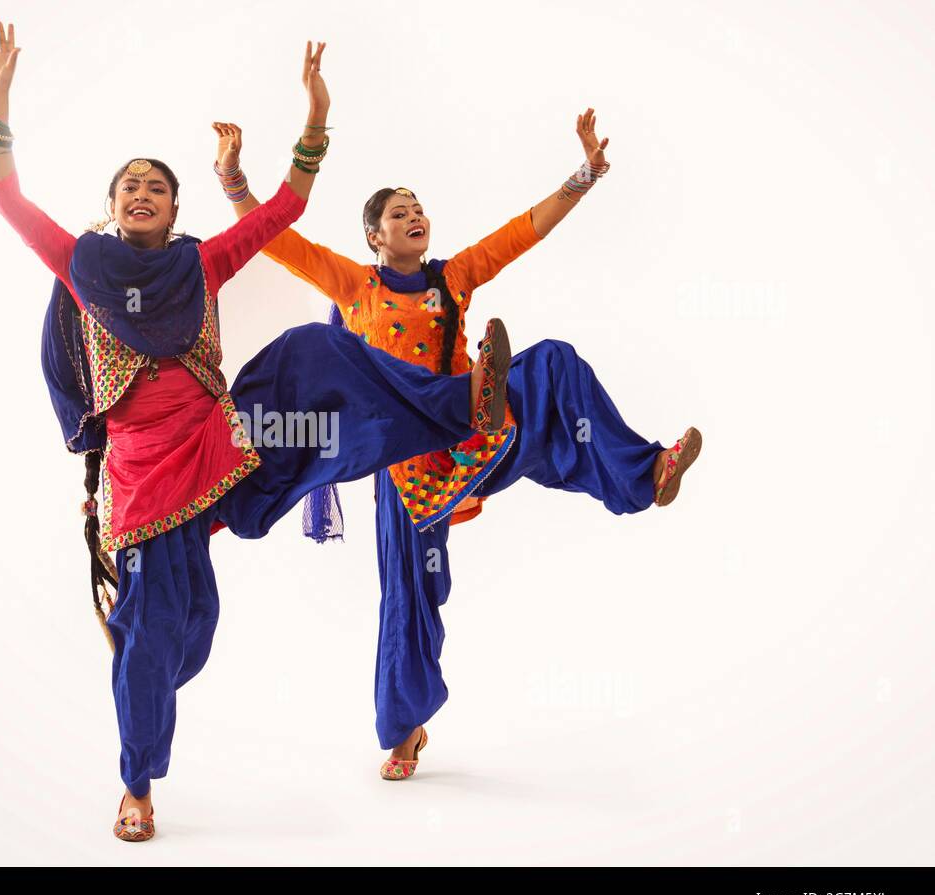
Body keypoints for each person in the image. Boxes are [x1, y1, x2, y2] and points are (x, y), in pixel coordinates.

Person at [0, 24, 510, 841]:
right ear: (114, 206)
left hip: (227, 442)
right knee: (175, 635)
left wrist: (315, 118)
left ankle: (460, 408)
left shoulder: (202, 263)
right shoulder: (80, 265)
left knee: (319, 349)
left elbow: (288, 208)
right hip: (148, 479)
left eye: (158, 183)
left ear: (176, 208)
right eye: (130, 184)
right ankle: (138, 786)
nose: (144, 190)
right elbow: (10, 204)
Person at [210, 110, 702, 781]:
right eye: (399, 212)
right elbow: (278, 242)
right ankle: (405, 729)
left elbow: (519, 234)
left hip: (472, 436)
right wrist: (234, 181)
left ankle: (646, 476)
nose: (415, 217)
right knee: (414, 592)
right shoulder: (354, 285)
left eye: (419, 209)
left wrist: (584, 175)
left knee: (554, 363)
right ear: (374, 236)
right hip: (403, 464)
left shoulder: (454, 277)